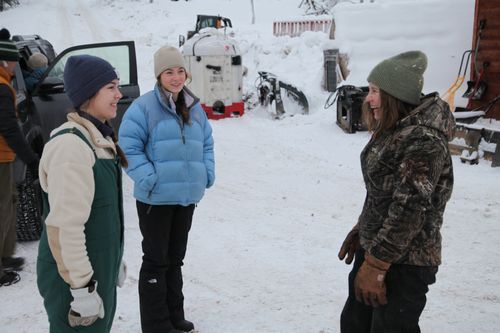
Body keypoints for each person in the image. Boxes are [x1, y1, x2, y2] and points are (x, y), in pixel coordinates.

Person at [338, 50, 455, 333]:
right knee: (354, 325)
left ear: (395, 95)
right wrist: (363, 228)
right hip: (378, 248)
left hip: (405, 263)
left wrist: (377, 265)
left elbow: (409, 209)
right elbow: (386, 193)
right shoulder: (396, 130)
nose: (368, 98)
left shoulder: (423, 140)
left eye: (375, 91)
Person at [119, 45, 215, 333]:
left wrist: (206, 173)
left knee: (175, 260)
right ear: (159, 75)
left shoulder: (194, 107)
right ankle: (156, 325)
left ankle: (175, 316)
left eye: (180, 71)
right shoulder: (143, 107)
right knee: (156, 261)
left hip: (185, 197)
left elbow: (207, 143)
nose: (175, 77)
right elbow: (128, 147)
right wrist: (150, 178)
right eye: (169, 72)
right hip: (155, 199)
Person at [36, 54, 127, 332]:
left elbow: (101, 214)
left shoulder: (97, 140)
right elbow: (64, 228)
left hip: (96, 271)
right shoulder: (71, 147)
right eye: (111, 87)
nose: (119, 94)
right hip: (74, 283)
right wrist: (81, 287)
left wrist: (114, 257)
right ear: (90, 91)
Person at [0, 27, 39, 287]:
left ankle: (5, 255)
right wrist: (31, 158)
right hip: (0, 157)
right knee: (2, 208)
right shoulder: (3, 87)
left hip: (4, 155)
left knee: (9, 205)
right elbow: (10, 128)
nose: (16, 65)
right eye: (14, 60)